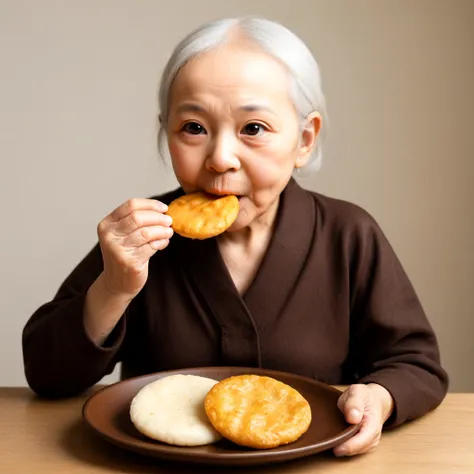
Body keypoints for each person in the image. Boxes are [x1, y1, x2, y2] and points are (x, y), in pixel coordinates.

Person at [22, 16, 448, 457]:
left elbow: (415, 363)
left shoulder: (349, 235)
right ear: (166, 133)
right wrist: (113, 288)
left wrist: (378, 397)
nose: (221, 158)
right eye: (193, 128)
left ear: (304, 139)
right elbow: (47, 376)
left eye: (254, 128)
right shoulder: (143, 237)